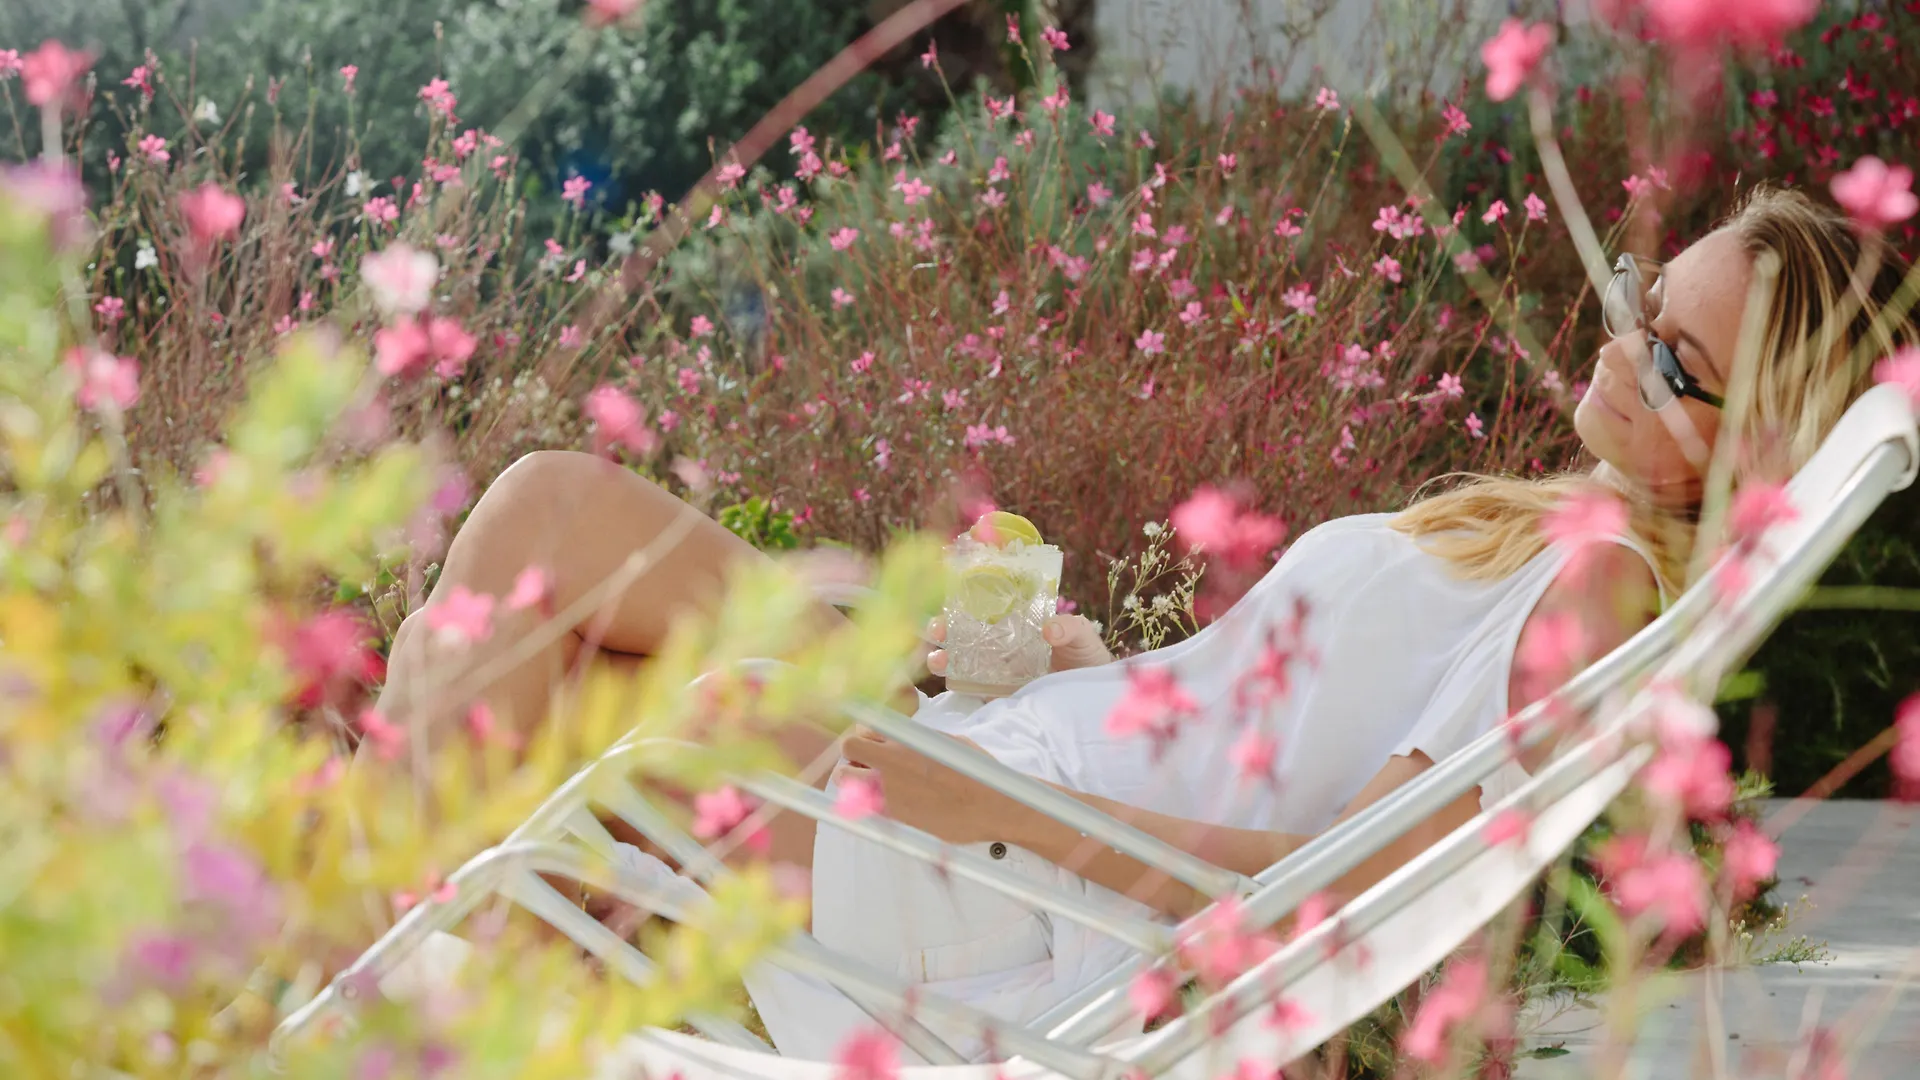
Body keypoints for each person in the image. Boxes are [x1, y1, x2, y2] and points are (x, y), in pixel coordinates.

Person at [371, 186, 1917, 1056]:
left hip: (999, 875)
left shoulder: (1598, 590)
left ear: (1756, 445)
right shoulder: (1555, 531)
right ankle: (417, 992)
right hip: (1010, 780)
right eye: (1647, 303)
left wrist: (986, 799)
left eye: (1678, 366)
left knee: (540, 601)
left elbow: (1324, 905)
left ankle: (380, 985)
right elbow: (1263, 748)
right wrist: (1087, 664)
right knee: (540, 574)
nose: (1623, 348)